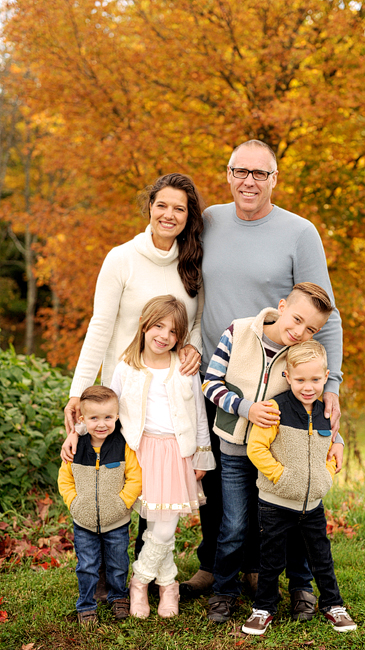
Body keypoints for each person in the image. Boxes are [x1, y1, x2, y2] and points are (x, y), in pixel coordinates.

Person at [180, 139, 344, 604]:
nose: (248, 181)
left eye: (260, 173)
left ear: (275, 179)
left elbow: (325, 311)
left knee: (283, 480)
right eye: (240, 171)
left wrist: (329, 384)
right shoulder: (208, 221)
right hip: (216, 378)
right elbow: (183, 283)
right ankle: (217, 568)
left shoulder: (299, 232)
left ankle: (286, 578)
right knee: (219, 477)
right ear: (228, 174)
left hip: (279, 384)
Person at [59, 172, 207, 599]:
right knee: (113, 483)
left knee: (155, 489)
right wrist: (80, 390)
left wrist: (192, 348)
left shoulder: (191, 263)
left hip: (169, 392)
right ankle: (110, 573)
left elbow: (194, 321)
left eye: (179, 208)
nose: (169, 214)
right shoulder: (120, 258)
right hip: (121, 393)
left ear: (187, 216)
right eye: (162, 205)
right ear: (150, 206)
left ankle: (144, 575)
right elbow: (100, 326)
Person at [202, 282, 344, 624]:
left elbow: (316, 404)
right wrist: (247, 408)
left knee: (291, 524)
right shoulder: (239, 332)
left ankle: (299, 589)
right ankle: (224, 591)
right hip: (236, 449)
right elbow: (210, 383)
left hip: (281, 456)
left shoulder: (303, 354)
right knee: (234, 524)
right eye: (296, 320)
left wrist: (336, 439)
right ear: (282, 306)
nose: (299, 331)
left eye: (311, 329)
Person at [109, 295, 215, 618]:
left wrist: (201, 455)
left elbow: (198, 413)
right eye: (158, 326)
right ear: (145, 325)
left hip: (175, 453)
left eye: (173, 332)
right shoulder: (127, 367)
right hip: (141, 452)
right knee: (155, 523)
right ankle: (168, 583)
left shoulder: (183, 368)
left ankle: (140, 582)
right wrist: (81, 431)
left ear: (179, 337)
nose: (164, 336)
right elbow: (109, 408)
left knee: (165, 527)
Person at [241, 340, 356, 636]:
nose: (308, 387)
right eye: (301, 379)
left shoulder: (326, 413)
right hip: (275, 504)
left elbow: (330, 450)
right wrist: (281, 476)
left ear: (326, 377)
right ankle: (263, 608)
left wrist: (325, 476)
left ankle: (333, 605)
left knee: (321, 558)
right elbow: (256, 448)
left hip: (312, 506)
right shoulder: (274, 409)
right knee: (271, 559)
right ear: (288, 376)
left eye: (316, 380)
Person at [57, 386, 141, 628]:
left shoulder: (123, 445)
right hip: (83, 522)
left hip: (117, 521)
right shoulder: (76, 446)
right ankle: (86, 604)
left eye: (108, 417)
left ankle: (118, 597)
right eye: (94, 418)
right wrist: (74, 502)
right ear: (82, 420)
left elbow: (135, 478)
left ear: (116, 416)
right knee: (87, 565)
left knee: (117, 563)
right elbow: (65, 479)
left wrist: (122, 503)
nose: (101, 424)